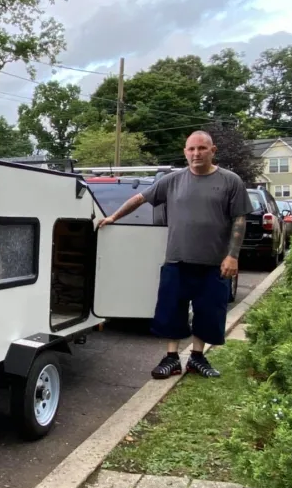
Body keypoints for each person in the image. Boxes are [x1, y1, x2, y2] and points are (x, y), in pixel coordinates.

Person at [98, 131, 253, 379]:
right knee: (171, 311)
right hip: (177, 261)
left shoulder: (230, 181)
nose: (196, 153)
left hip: (214, 263)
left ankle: (197, 358)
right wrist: (114, 217)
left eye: (202, 148)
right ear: (185, 152)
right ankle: (171, 358)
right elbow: (140, 198)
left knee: (209, 312)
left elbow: (239, 219)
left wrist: (232, 255)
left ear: (213, 151)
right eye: (191, 149)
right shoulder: (172, 180)